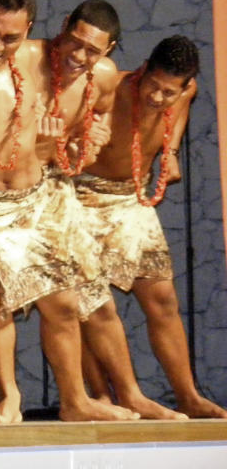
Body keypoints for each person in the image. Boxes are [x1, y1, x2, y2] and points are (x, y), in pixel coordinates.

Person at [0, 0, 136, 424]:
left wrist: (90, 133)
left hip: (35, 198)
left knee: (63, 303)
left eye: (10, 37)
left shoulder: (49, 61)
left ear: (30, 30)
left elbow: (97, 100)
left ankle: (76, 401)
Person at [73, 36, 227, 419]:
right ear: (143, 70)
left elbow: (179, 111)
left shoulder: (185, 92)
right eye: (154, 86)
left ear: (185, 85)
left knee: (162, 301)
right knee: (90, 304)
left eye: (168, 92)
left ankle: (188, 395)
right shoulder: (115, 90)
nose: (158, 98)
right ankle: (107, 396)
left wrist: (170, 152)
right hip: (83, 197)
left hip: (132, 198)